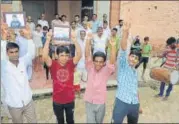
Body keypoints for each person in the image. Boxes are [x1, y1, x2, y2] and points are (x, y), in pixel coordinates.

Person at [42, 32, 82, 124]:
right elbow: (44, 56)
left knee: (70, 121)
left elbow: (79, 54)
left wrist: (75, 40)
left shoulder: (71, 63)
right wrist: (48, 40)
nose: (64, 58)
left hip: (70, 100)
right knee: (60, 121)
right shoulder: (53, 64)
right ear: (57, 55)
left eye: (66, 55)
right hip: (57, 101)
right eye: (62, 55)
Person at [84, 29, 116, 123]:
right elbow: (87, 55)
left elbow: (112, 61)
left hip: (101, 103)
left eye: (101, 62)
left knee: (99, 122)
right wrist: (88, 40)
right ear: (93, 61)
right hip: (89, 102)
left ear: (104, 63)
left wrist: (113, 47)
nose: (98, 64)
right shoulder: (90, 68)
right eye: (96, 61)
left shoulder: (106, 71)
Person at [1, 39, 36, 123]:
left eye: (16, 51)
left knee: (34, 122)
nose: (14, 54)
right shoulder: (3, 66)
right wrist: (3, 40)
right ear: (7, 53)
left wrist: (29, 39)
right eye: (11, 52)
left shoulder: (23, 61)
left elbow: (31, 54)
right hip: (14, 105)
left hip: (28, 101)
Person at [112, 22, 141, 123]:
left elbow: (135, 88)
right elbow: (123, 48)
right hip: (121, 102)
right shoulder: (124, 65)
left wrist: (138, 104)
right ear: (129, 57)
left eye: (136, 58)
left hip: (134, 104)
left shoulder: (135, 72)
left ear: (138, 61)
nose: (133, 59)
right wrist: (125, 33)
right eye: (132, 56)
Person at [74, 30, 88, 98]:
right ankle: (78, 94)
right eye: (81, 34)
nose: (82, 35)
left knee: (85, 78)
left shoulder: (87, 41)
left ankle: (86, 93)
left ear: (85, 34)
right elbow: (75, 52)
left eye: (83, 34)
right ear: (80, 35)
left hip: (85, 62)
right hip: (79, 62)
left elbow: (89, 51)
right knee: (77, 78)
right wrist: (75, 63)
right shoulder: (77, 41)